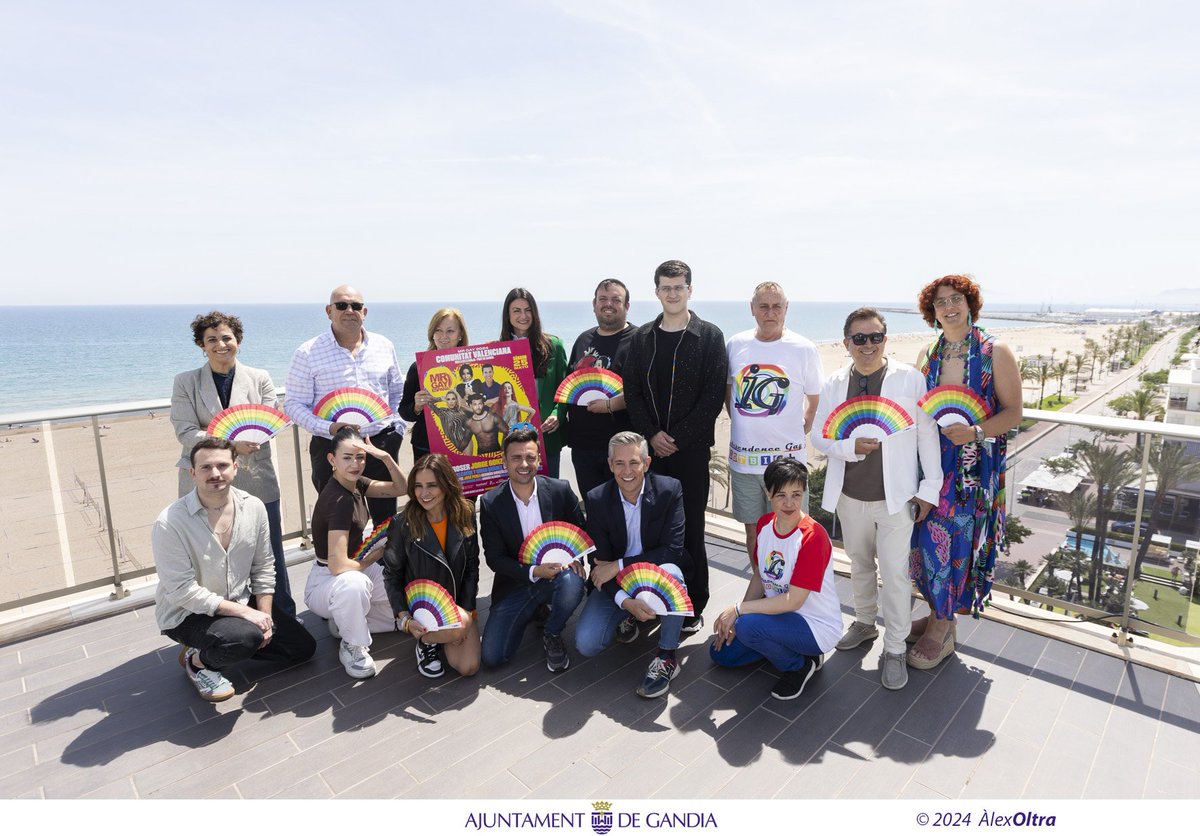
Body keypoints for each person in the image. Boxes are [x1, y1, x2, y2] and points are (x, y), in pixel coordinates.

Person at [811, 308, 942, 690]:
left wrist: (928, 490)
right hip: (850, 495)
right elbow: (818, 436)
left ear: (886, 339)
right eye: (859, 338)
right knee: (859, 565)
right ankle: (865, 623)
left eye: (875, 337)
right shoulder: (835, 383)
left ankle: (896, 648)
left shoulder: (909, 380)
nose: (867, 345)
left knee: (897, 576)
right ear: (846, 343)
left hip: (897, 499)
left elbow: (926, 436)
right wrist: (850, 446)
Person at [909, 275, 1023, 669]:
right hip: (928, 464)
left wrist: (975, 431)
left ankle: (942, 627)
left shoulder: (995, 351)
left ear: (970, 303)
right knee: (922, 542)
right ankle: (936, 611)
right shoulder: (927, 353)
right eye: (940, 302)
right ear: (932, 312)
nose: (949, 307)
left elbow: (1013, 412)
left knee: (957, 541)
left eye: (956, 299)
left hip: (972, 467)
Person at [153, 438, 316, 702]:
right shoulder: (169, 522)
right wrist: (246, 614)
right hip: (187, 613)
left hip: (239, 598)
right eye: (205, 467)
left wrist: (265, 617)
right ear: (192, 473)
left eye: (222, 465)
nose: (215, 473)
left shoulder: (254, 507)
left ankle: (222, 642)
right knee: (244, 638)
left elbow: (264, 566)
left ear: (236, 468)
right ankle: (199, 662)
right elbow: (181, 591)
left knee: (302, 648)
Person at [170, 311, 296, 618]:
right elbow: (185, 431)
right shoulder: (185, 382)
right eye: (211, 339)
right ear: (201, 345)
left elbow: (267, 424)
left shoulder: (260, 378)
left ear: (237, 340)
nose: (220, 344)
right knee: (209, 554)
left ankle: (281, 616)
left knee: (268, 552)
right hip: (206, 480)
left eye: (226, 337)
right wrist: (230, 445)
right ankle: (217, 621)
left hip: (255, 475)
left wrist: (239, 441)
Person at [623, 260, 727, 632]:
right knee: (649, 528)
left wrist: (677, 439)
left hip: (691, 452)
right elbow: (631, 392)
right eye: (666, 287)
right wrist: (652, 435)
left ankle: (692, 604)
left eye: (678, 287)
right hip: (649, 454)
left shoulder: (710, 336)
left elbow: (713, 396)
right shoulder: (642, 338)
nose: (672, 293)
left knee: (690, 529)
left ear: (690, 290)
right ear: (656, 292)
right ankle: (650, 599)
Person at [709, 457, 841, 700]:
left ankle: (799, 664)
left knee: (746, 627)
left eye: (796, 494)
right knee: (721, 654)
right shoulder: (764, 525)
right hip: (777, 616)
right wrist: (739, 617)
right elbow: (761, 575)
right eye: (781, 495)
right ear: (768, 492)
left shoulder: (813, 537)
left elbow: (793, 601)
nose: (789, 503)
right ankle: (777, 643)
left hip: (813, 625)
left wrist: (739, 612)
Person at [575, 432, 691, 698]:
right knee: (586, 643)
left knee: (674, 574)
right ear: (610, 464)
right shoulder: (596, 499)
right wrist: (626, 601)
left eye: (634, 462)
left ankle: (666, 656)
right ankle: (628, 613)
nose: (627, 471)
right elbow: (599, 567)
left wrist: (619, 564)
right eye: (619, 463)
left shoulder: (669, 490)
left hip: (656, 575)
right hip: (618, 583)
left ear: (647, 463)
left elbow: (672, 551)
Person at [283, 285, 405, 527]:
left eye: (356, 306)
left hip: (379, 444)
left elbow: (396, 392)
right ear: (329, 311)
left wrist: (397, 430)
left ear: (365, 312)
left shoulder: (383, 345)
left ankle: (387, 565)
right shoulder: (308, 352)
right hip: (331, 448)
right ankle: (345, 565)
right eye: (341, 305)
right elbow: (294, 404)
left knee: (387, 523)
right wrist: (329, 428)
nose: (349, 310)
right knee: (341, 521)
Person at [725, 282, 822, 560]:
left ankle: (789, 595)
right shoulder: (736, 344)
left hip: (787, 465)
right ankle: (761, 591)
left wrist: (802, 426)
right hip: (744, 463)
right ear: (752, 308)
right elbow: (729, 390)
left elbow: (814, 401)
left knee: (791, 532)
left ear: (786, 308)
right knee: (754, 534)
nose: (770, 312)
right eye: (764, 306)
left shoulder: (803, 348)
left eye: (777, 306)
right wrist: (743, 422)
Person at [303, 427, 406, 679]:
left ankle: (346, 621)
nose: (355, 464)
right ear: (332, 460)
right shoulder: (339, 500)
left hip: (353, 565)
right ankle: (353, 645)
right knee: (355, 584)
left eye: (359, 457)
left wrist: (385, 457)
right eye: (347, 458)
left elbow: (400, 488)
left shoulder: (355, 483)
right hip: (329, 579)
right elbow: (338, 567)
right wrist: (375, 555)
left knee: (405, 587)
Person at [479, 429, 586, 671]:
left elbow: (580, 532)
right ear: (504, 462)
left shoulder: (560, 490)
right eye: (516, 458)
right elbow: (495, 559)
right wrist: (535, 570)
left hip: (557, 577)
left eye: (530, 457)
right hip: (515, 584)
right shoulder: (491, 503)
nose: (524, 464)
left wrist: (576, 558)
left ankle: (552, 631)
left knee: (573, 581)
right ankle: (533, 610)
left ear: (539, 460)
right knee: (493, 657)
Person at [382, 454, 481, 679]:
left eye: (432, 485)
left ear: (447, 485)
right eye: (418, 486)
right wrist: (404, 617)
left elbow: (472, 566)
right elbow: (392, 574)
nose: (423, 493)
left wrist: (466, 609)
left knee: (468, 667)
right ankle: (425, 640)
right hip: (423, 611)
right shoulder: (402, 523)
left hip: (456, 604)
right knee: (459, 630)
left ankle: (445, 633)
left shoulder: (465, 512)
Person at [564, 278, 637, 497]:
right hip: (582, 447)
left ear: (627, 306)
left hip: (622, 450)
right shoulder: (583, 339)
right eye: (603, 299)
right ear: (594, 304)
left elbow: (642, 391)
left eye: (616, 299)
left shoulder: (639, 340)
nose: (609, 304)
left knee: (623, 509)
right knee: (594, 509)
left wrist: (609, 405)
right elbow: (568, 385)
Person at [499, 288, 568, 477]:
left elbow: (565, 387)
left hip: (546, 434)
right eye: (516, 310)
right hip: (512, 437)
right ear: (507, 315)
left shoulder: (554, 345)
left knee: (548, 492)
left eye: (528, 310)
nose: (523, 316)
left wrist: (557, 414)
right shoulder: (498, 350)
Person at [399, 307, 470, 460]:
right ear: (432, 334)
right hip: (425, 446)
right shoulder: (418, 368)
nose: (443, 336)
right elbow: (404, 411)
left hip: (463, 442)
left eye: (450, 331)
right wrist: (417, 407)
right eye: (438, 330)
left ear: (460, 335)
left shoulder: (470, 367)